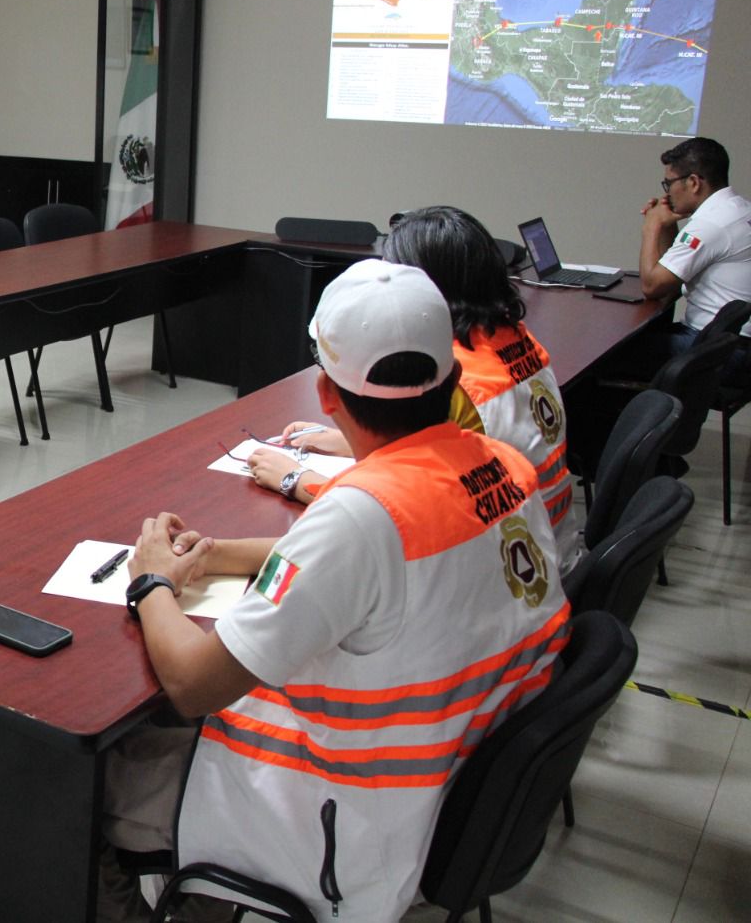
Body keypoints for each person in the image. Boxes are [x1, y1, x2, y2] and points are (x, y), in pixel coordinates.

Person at [101, 259, 569, 923]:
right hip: (453, 789)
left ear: (325, 392)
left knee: (87, 780)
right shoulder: (503, 465)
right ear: (451, 377)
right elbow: (357, 567)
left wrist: (149, 581)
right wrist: (216, 554)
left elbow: (192, 685)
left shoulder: (361, 517)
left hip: (340, 823)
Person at [248, 206, 578, 565]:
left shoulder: (453, 381)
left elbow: (405, 511)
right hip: (548, 543)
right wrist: (346, 440)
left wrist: (295, 479)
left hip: (496, 557)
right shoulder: (515, 338)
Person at [636, 136, 751, 359]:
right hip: (731, 343)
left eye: (669, 184)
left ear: (693, 182)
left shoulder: (710, 225)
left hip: (715, 349)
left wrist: (652, 226)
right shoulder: (738, 209)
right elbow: (672, 274)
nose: (667, 193)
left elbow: (652, 286)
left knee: (610, 352)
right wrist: (667, 226)